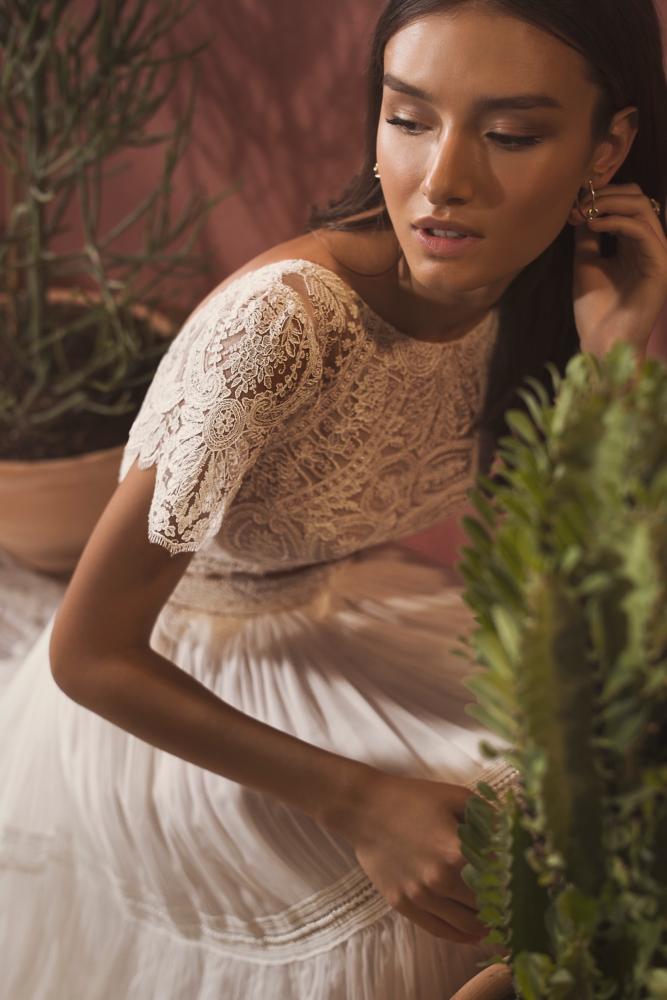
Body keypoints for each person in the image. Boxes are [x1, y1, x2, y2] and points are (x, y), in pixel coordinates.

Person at [2, 1, 666, 997]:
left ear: (605, 148)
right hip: (181, 695)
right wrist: (362, 803)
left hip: (341, 616)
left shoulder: (545, 294)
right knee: (494, 844)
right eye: (407, 119)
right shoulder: (278, 330)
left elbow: (572, 596)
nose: (441, 180)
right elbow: (87, 653)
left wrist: (612, 363)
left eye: (509, 135)